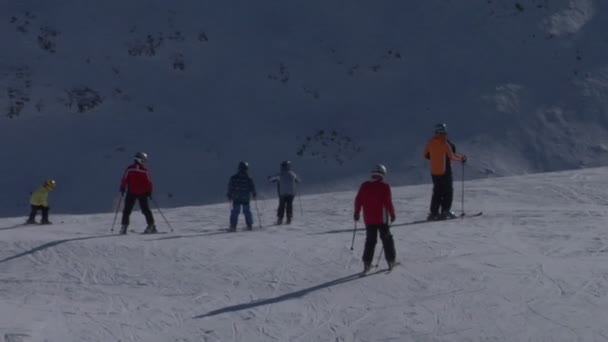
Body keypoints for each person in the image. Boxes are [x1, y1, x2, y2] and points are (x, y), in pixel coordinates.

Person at [354, 164, 397, 272]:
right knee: (387, 239)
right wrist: (392, 214)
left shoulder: (364, 185)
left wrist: (357, 213)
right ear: (383, 174)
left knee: (370, 241)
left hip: (368, 219)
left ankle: (367, 263)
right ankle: (391, 260)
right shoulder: (384, 186)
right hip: (382, 218)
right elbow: (388, 202)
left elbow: (358, 200)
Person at [423, 123, 466, 221]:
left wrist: (434, 157)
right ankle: (445, 211)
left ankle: (433, 213)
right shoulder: (445, 144)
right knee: (448, 191)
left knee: (437, 192)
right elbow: (452, 156)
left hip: (434, 172)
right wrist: (462, 158)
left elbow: (425, 155)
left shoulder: (430, 142)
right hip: (445, 171)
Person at [119, 152, 156, 234]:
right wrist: (149, 192)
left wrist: (122, 188)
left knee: (127, 210)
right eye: (143, 160)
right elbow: (149, 182)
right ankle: (151, 226)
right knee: (146, 210)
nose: (144, 162)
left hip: (131, 192)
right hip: (142, 193)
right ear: (140, 160)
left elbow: (125, 179)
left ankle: (124, 227)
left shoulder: (130, 168)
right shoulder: (144, 170)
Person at [268, 160, 301, 225]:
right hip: (291, 193)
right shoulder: (292, 174)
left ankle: (280, 219)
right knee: (289, 205)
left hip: (282, 193)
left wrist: (269, 178)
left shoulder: (280, 174)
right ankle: (289, 218)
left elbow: (271, 179)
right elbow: (299, 180)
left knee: (281, 205)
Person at [227, 161, 257, 231]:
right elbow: (252, 187)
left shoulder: (234, 177)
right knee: (247, 211)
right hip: (245, 198)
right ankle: (249, 225)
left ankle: (233, 226)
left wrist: (229, 194)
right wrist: (254, 193)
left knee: (235, 211)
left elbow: (230, 186)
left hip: (236, 197)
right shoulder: (249, 178)